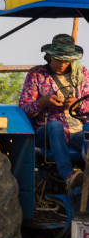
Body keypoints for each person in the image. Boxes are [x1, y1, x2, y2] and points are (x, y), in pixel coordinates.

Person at [19, 34, 89, 189]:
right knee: (55, 126)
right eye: (58, 59)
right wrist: (43, 102)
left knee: (87, 135)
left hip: (76, 130)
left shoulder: (82, 74)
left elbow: (88, 105)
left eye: (66, 60)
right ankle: (69, 176)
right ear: (49, 56)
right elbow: (24, 108)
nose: (62, 64)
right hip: (46, 131)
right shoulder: (36, 75)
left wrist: (78, 106)